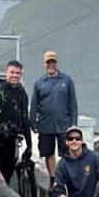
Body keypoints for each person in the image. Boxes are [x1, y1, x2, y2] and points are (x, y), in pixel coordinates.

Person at [29, 50, 78, 178]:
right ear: (44, 64)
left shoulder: (67, 80)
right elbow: (34, 104)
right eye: (48, 62)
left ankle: (67, 177)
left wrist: (74, 124)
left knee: (68, 152)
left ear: (57, 63)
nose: (51, 65)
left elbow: (72, 103)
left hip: (64, 124)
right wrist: (33, 122)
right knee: (48, 152)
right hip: (46, 124)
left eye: (53, 62)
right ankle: (53, 178)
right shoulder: (39, 83)